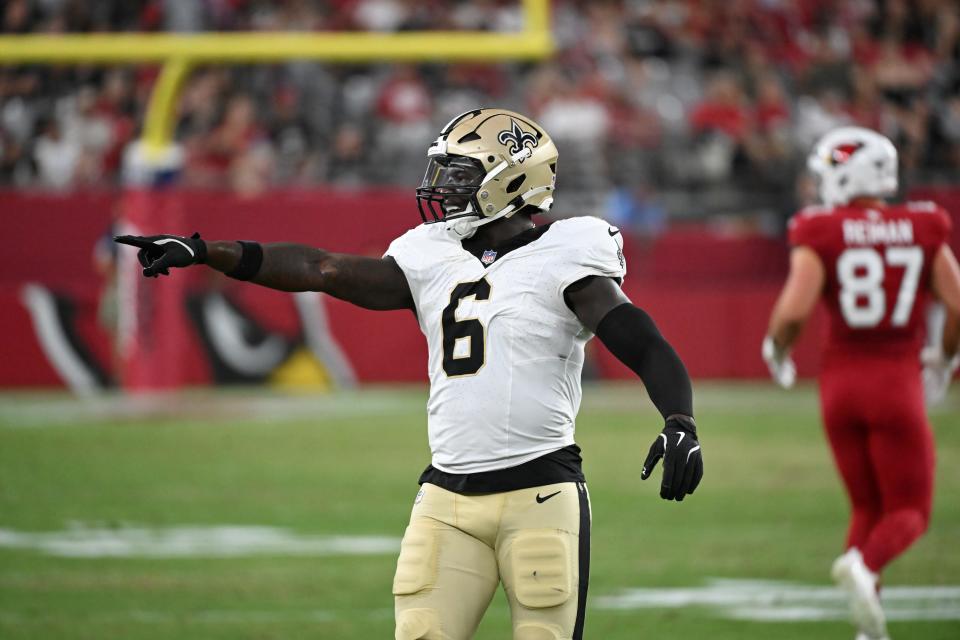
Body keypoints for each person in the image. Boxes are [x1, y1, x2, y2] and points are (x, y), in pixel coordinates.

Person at [115, 108, 704, 640]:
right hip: (446, 500)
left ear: (513, 177)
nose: (444, 188)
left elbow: (642, 341)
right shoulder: (430, 253)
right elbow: (323, 269)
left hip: (540, 494)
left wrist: (679, 418)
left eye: (462, 173)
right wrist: (207, 250)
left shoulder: (570, 251)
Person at [763, 126, 960, 640]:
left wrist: (777, 348)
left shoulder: (821, 228)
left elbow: (793, 311)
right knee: (911, 509)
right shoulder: (921, 225)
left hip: (841, 384)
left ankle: (867, 629)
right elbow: (957, 302)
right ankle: (867, 569)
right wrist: (943, 357)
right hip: (896, 379)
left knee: (867, 506)